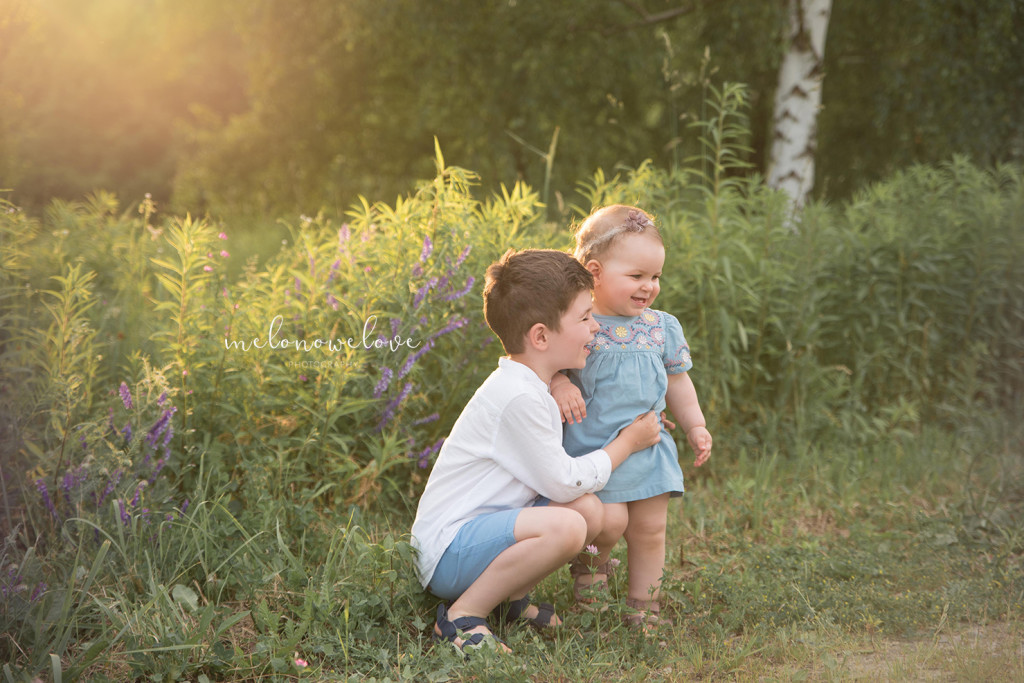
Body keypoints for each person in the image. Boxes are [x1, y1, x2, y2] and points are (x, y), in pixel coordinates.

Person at [411, 248, 662, 656]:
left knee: (589, 511)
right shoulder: (517, 398)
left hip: (483, 535)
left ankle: (510, 601)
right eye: (584, 317)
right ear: (541, 336)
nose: (596, 326)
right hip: (449, 552)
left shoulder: (533, 384)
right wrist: (627, 443)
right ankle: (462, 617)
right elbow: (563, 482)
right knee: (568, 525)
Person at [551, 204, 713, 626]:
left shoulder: (661, 326)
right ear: (595, 272)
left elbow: (677, 381)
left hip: (649, 448)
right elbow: (547, 367)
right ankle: (590, 592)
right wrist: (561, 384)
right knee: (604, 530)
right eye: (637, 276)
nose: (649, 287)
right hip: (594, 452)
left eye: (655, 276)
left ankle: (646, 608)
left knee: (649, 531)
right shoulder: (578, 325)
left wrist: (695, 424)